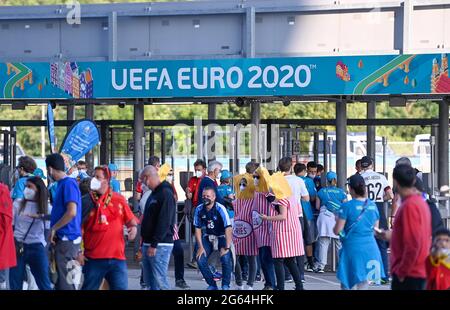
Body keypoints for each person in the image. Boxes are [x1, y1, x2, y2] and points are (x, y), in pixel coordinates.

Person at [80, 166, 138, 290]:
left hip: (117, 258)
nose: (93, 180)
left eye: (97, 177)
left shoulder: (119, 199)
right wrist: (78, 251)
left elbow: (131, 221)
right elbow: (77, 227)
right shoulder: (85, 201)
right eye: (93, 176)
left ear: (106, 180)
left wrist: (133, 228)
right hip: (93, 258)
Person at [376, 164, 431, 290]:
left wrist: (402, 271)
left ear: (395, 181)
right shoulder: (420, 203)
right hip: (418, 270)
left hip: (409, 273)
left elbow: (413, 244)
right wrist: (390, 235)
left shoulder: (409, 206)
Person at [334, 174, 385, 290]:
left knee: (347, 283)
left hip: (352, 248)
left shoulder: (346, 206)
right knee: (364, 284)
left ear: (350, 189)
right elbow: (375, 231)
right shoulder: (373, 206)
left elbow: (338, 230)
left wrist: (337, 222)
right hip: (370, 249)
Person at [260, 172, 304, 290]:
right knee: (290, 261)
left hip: (283, 232)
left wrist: (266, 218)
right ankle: (299, 286)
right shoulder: (291, 196)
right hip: (292, 231)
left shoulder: (281, 198)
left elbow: (283, 216)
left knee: (278, 260)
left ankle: (280, 287)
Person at [46, 153, 82, 290]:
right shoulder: (62, 184)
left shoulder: (68, 184)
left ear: (50, 169)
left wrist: (54, 228)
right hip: (63, 239)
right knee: (61, 280)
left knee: (64, 281)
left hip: (67, 239)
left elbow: (71, 212)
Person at [9, 176, 52, 290]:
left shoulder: (46, 208)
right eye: (26, 186)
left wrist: (44, 246)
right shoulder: (17, 204)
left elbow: (48, 230)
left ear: (38, 189)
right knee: (15, 282)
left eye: (29, 187)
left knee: (44, 283)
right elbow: (12, 225)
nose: (26, 190)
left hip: (37, 246)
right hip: (18, 246)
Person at [140, 165, 176, 290]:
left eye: (142, 181)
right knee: (150, 281)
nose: (142, 185)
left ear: (147, 178)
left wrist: (154, 243)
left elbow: (164, 221)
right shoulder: (153, 194)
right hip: (149, 242)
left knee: (160, 279)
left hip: (160, 244)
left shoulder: (165, 193)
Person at [360, 156, 393, 284]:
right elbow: (390, 195)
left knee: (367, 244)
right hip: (379, 209)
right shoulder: (381, 177)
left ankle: (371, 275)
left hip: (366, 209)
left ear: (361, 166)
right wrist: (381, 199)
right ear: (372, 165)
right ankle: (384, 276)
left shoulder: (361, 178)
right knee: (382, 245)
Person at [194, 187, 233, 290]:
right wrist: (200, 247)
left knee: (225, 257)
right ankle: (212, 284)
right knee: (200, 259)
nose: (205, 198)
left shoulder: (220, 208)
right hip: (208, 236)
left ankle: (225, 285)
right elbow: (197, 228)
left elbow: (228, 227)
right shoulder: (199, 209)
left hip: (222, 236)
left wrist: (227, 246)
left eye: (208, 196)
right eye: (203, 196)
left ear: (214, 197)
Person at [158, 163, 190, 290]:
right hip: (161, 227)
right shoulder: (158, 188)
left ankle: (180, 279)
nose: (171, 176)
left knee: (178, 252)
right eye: (169, 174)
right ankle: (148, 279)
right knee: (157, 255)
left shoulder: (170, 187)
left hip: (172, 226)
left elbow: (175, 199)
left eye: (172, 174)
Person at [278, 157, 309, 283]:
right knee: (298, 245)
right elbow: (306, 198)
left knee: (283, 245)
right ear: (291, 167)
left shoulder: (277, 181)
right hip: (297, 216)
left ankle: (287, 275)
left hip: (281, 216)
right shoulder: (298, 180)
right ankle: (300, 274)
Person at [315, 171, 347, 273]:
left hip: (324, 217)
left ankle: (321, 266)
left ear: (326, 181)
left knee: (323, 243)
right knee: (339, 243)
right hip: (338, 218)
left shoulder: (321, 192)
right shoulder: (342, 192)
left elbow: (317, 206)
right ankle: (342, 266)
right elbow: (345, 207)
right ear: (336, 180)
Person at [252, 166, 276, 290]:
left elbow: (275, 202)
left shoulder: (268, 189)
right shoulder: (256, 190)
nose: (255, 179)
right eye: (254, 177)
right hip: (258, 228)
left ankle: (271, 283)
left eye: (257, 177)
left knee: (267, 257)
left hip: (268, 228)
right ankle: (268, 282)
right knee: (262, 258)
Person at [232, 174, 257, 290]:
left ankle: (250, 284)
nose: (242, 187)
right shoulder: (237, 198)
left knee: (251, 258)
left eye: (244, 185)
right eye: (240, 184)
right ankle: (239, 282)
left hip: (250, 230)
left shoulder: (254, 198)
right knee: (234, 257)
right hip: (237, 230)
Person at [294, 163, 316, 273]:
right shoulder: (308, 181)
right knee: (308, 240)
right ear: (304, 171)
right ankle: (310, 263)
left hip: (294, 214)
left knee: (295, 240)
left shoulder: (291, 180)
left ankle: (296, 263)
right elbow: (312, 197)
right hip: (307, 213)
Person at [0, 181, 16, 290]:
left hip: (2, 240)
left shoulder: (2, 190)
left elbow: (6, 220)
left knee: (3, 279)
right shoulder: (3, 190)